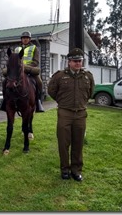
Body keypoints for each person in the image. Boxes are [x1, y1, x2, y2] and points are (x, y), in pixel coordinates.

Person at [47, 48, 95, 181]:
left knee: (78, 143)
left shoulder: (87, 76)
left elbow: (90, 92)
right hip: (65, 113)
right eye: (75, 61)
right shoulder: (60, 76)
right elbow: (51, 90)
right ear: (69, 62)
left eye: (79, 61)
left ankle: (76, 170)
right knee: (63, 143)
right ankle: (65, 169)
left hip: (80, 113)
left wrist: (81, 103)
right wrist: (62, 101)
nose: (77, 63)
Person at [0, 31, 44, 112]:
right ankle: (4, 101)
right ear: (21, 39)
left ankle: (38, 101)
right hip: (18, 69)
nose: (25, 39)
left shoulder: (34, 48)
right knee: (5, 81)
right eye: (23, 38)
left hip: (29, 69)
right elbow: (13, 60)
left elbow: (36, 62)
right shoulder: (17, 49)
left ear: (30, 39)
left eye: (27, 38)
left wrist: (26, 66)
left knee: (39, 82)